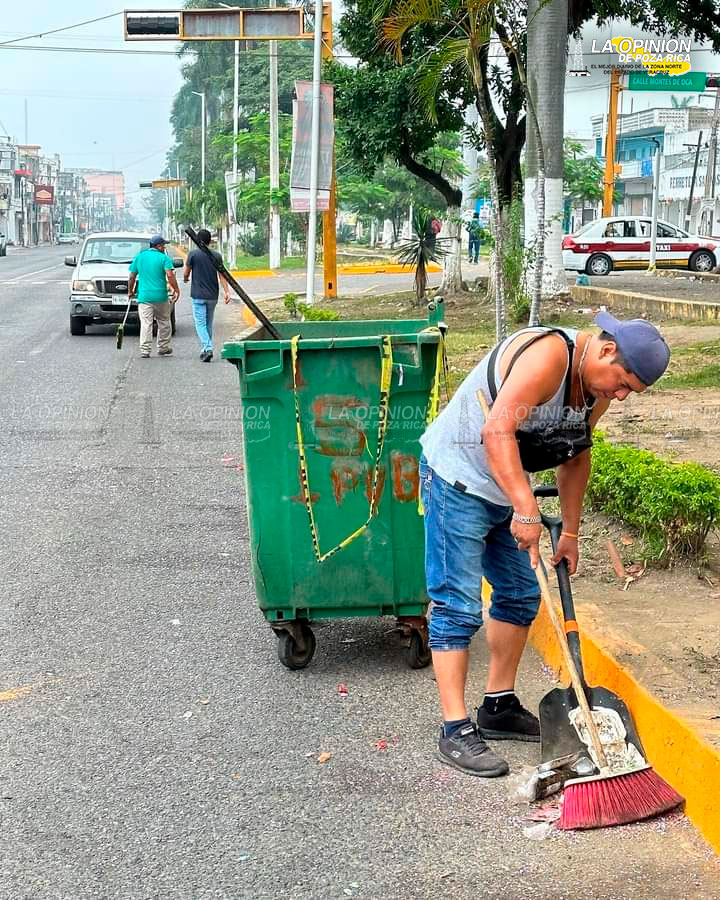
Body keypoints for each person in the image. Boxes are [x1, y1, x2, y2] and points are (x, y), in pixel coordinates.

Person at [419, 312, 670, 777]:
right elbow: (495, 432)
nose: (618, 395)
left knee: (519, 594)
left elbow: (576, 453)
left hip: (506, 487)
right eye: (622, 384)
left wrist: (570, 531)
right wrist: (526, 509)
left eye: (628, 393)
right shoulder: (549, 356)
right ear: (607, 350)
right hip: (458, 477)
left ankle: (497, 706)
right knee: (457, 605)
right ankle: (454, 729)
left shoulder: (594, 390)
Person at [183, 228, 230, 362]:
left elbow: (186, 272)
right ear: (210, 241)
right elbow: (222, 275)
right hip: (212, 296)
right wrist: (226, 292)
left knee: (200, 323)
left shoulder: (193, 254)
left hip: (198, 295)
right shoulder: (216, 255)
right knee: (208, 323)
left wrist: (186, 278)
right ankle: (205, 349)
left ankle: (208, 347)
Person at [128, 235, 180, 358]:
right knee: (164, 322)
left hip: (144, 297)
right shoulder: (164, 258)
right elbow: (170, 275)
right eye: (163, 245)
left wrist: (130, 291)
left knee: (146, 323)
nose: (164, 247)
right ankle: (163, 347)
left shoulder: (140, 257)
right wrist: (176, 289)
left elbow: (132, 276)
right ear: (158, 246)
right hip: (161, 296)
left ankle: (145, 350)